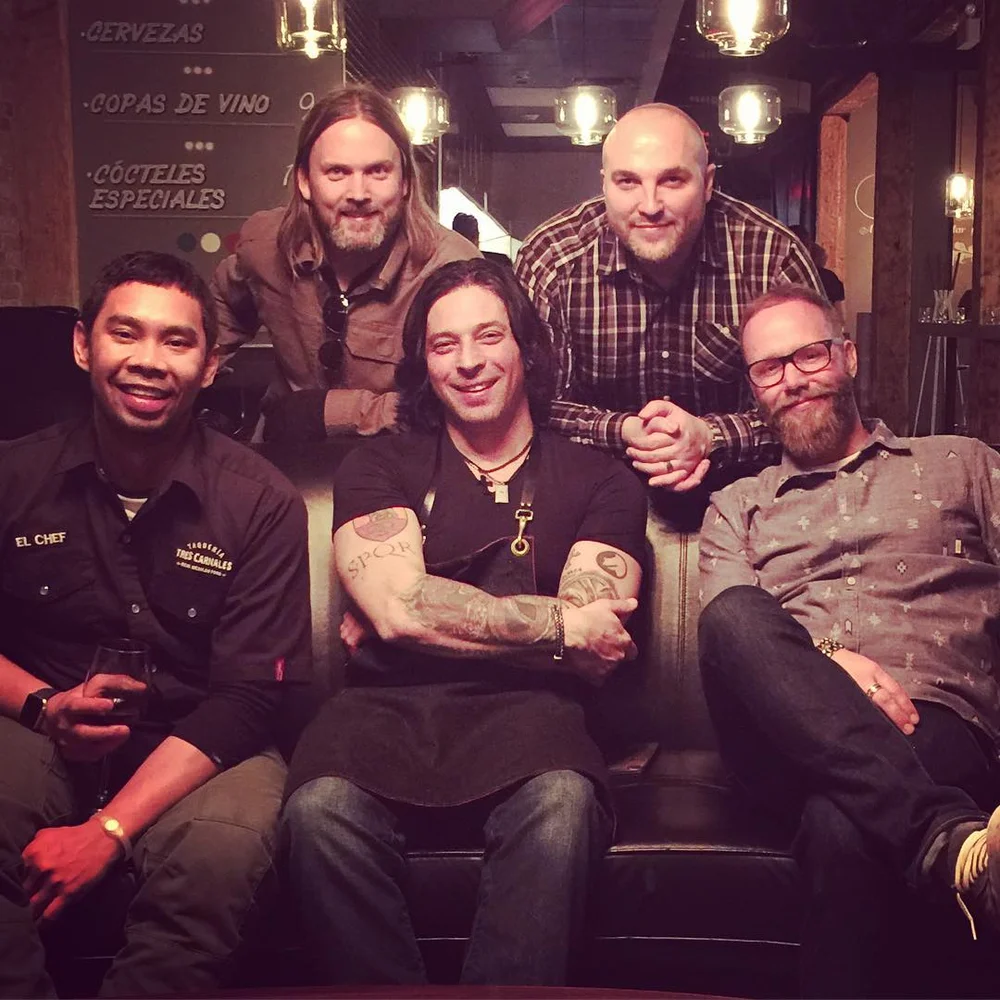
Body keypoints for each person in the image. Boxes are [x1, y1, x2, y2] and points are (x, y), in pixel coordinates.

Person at [281, 258, 647, 985]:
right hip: (380, 717)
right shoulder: (378, 465)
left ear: (526, 349)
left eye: (489, 336)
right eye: (444, 344)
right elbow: (401, 610)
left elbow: (598, 641)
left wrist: (422, 615)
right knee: (316, 814)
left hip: (534, 723)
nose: (469, 361)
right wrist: (554, 630)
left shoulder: (602, 479)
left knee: (563, 807)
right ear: (424, 363)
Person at [0, 251, 311, 996]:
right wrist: (41, 706)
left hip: (203, 745)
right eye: (125, 333)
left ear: (209, 366)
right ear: (84, 345)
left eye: (177, 341)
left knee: (221, 858)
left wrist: (107, 832)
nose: (148, 360)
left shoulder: (260, 500)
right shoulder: (12, 477)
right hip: (39, 727)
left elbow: (250, 699)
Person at [697, 283, 1000, 996]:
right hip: (780, 741)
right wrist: (830, 662)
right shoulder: (737, 506)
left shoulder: (961, 463)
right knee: (732, 613)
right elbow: (731, 641)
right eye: (769, 368)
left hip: (937, 722)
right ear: (753, 388)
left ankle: (939, 846)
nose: (792, 380)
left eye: (808, 355)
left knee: (841, 824)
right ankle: (942, 833)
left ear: (848, 356)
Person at [515, 103, 824, 493]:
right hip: (591, 489)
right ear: (605, 184)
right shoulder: (551, 258)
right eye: (628, 182)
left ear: (708, 183)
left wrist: (711, 436)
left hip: (750, 490)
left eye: (672, 180)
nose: (650, 206)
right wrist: (623, 431)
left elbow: (818, 401)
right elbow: (528, 406)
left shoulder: (772, 257)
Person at [211, 82, 479, 443]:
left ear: (405, 182)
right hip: (284, 454)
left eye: (378, 171)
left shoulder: (454, 270)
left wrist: (328, 412)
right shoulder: (265, 245)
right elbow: (216, 315)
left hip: (406, 456)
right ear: (305, 181)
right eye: (337, 172)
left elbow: (472, 397)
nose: (358, 194)